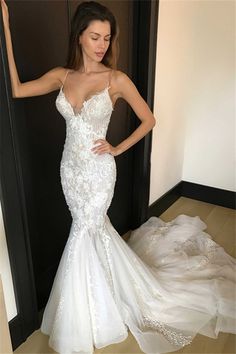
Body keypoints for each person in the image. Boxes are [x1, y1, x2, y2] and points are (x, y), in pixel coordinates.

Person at [1, 1, 236, 354]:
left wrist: (117, 148)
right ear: (79, 36)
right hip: (70, 170)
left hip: (98, 173)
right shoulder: (61, 76)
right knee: (88, 230)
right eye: (94, 36)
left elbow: (149, 119)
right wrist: (4, 25)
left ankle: (83, 320)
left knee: (85, 229)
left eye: (107, 38)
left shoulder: (116, 79)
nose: (101, 45)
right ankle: (100, 297)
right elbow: (17, 89)